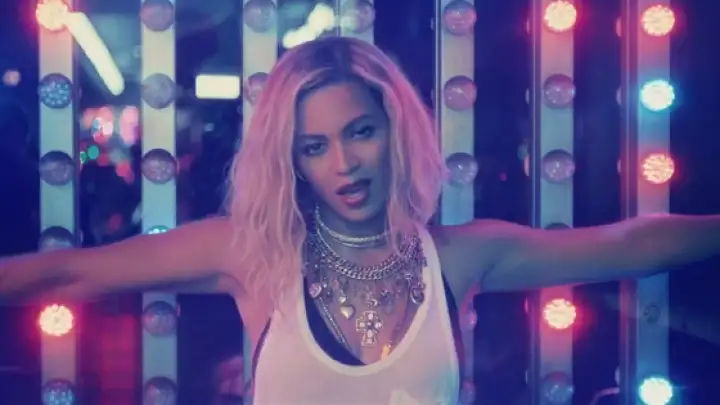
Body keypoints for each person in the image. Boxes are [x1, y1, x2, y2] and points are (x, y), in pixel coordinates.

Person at [1, 36, 719, 404]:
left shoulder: (459, 256)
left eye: (360, 132)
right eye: (314, 146)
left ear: (395, 128)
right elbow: (68, 271)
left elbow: (629, 244)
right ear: (292, 159)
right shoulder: (253, 253)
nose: (344, 163)